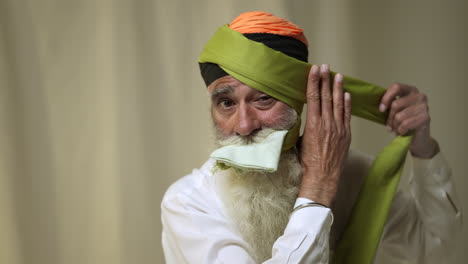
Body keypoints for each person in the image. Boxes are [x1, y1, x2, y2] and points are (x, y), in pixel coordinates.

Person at [161, 11, 462, 263]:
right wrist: (318, 188)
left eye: (263, 99)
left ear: (301, 102)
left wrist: (422, 147)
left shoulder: (355, 173)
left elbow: (434, 251)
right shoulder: (189, 202)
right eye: (226, 103)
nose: (243, 126)